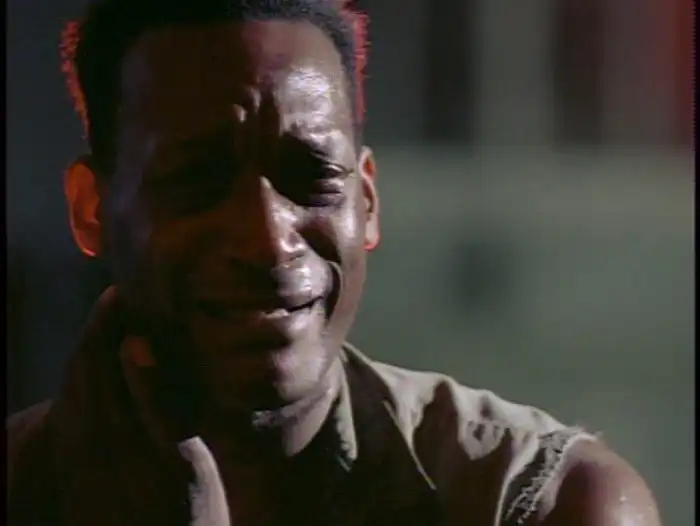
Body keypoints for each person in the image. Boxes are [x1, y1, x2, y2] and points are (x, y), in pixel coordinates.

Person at [7, 1, 662, 525]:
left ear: (367, 201)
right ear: (91, 210)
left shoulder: (541, 502)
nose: (268, 241)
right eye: (195, 180)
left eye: (313, 177)